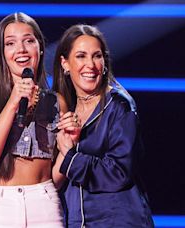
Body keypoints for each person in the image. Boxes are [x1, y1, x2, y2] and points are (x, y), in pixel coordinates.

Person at [0, 12, 64, 227]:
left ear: (40, 48)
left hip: (44, 206)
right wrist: (13, 102)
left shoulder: (56, 102)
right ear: (1, 52)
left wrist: (69, 146)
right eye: (10, 43)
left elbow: (54, 177)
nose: (21, 50)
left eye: (29, 41)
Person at [52, 24, 154, 227]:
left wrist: (72, 157)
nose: (90, 64)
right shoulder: (64, 108)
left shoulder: (120, 105)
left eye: (96, 56)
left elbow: (118, 171)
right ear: (65, 63)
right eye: (81, 56)